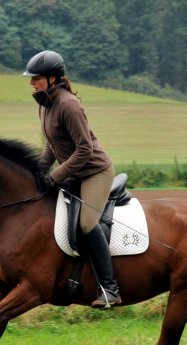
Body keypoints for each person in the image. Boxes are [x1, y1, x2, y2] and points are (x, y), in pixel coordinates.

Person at [22, 50, 121, 308]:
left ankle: (110, 289)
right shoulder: (45, 105)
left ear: (53, 78)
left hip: (94, 172)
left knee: (88, 222)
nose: (31, 83)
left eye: (36, 78)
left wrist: (53, 176)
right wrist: (38, 173)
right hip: (73, 172)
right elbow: (51, 145)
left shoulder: (68, 104)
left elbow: (85, 150)